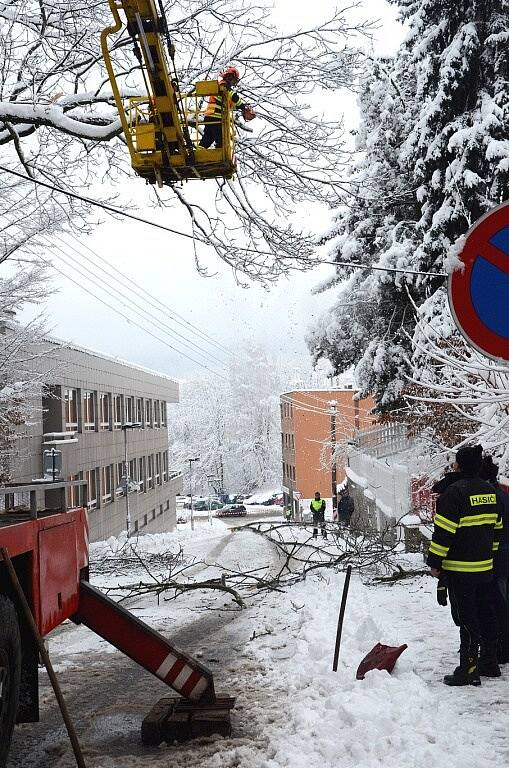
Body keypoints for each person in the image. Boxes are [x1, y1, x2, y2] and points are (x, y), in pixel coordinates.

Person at [427, 444, 503, 686]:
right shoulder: (490, 491)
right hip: (485, 568)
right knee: (487, 613)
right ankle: (489, 662)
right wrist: (487, 557)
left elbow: (443, 534)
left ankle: (468, 668)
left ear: (458, 465)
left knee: (467, 618)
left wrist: (435, 563)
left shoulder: (454, 494)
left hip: (460, 569)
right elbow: (496, 530)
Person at [480, 454, 509, 663]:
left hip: (497, 556)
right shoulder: (503, 492)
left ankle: (501, 647)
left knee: (497, 603)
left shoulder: (491, 497)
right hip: (505, 554)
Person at [199, 66, 256, 149]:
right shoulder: (223, 85)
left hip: (210, 117)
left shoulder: (224, 90)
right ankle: (220, 153)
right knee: (222, 140)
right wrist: (243, 106)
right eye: (234, 80)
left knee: (207, 139)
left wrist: (240, 107)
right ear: (230, 77)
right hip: (216, 118)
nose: (234, 83)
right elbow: (233, 96)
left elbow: (230, 103)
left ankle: (199, 152)